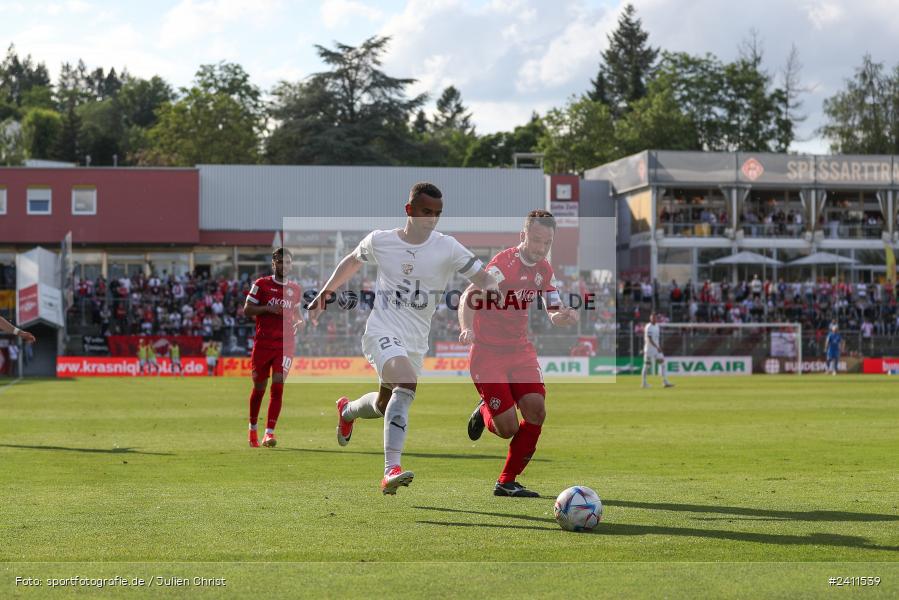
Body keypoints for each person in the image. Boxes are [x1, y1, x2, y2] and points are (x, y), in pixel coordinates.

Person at [307, 182, 497, 495]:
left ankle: (346, 411)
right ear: (409, 210)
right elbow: (353, 260)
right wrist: (326, 293)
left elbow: (483, 276)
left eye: (437, 214)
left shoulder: (447, 246)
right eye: (425, 212)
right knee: (406, 383)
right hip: (381, 331)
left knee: (385, 404)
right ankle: (390, 470)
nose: (432, 219)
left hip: (415, 341)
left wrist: (495, 289)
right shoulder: (380, 240)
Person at [459, 209, 579, 498]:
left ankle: (507, 481)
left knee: (537, 410)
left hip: (519, 349)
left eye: (546, 243)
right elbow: (467, 296)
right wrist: (466, 328)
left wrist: (561, 316)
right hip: (487, 353)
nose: (540, 248)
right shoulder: (502, 265)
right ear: (523, 235)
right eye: (536, 240)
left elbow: (552, 308)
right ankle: (485, 409)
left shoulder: (544, 270)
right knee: (507, 428)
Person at [243, 247, 304, 448]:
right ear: (273, 263)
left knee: (278, 383)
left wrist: (299, 321)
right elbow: (247, 310)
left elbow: (296, 314)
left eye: (287, 262)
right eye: (280, 262)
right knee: (259, 388)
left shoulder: (295, 289)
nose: (284, 265)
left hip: (285, 344)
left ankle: (269, 433)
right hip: (263, 343)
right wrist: (267, 308)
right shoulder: (261, 285)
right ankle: (252, 429)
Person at [641, 312, 673, 388]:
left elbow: (656, 338)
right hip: (649, 350)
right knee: (646, 366)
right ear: (650, 318)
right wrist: (657, 347)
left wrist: (658, 346)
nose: (654, 319)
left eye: (655, 317)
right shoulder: (648, 327)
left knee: (662, 363)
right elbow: (649, 339)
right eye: (652, 318)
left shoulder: (657, 326)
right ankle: (644, 383)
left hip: (656, 350)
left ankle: (665, 382)